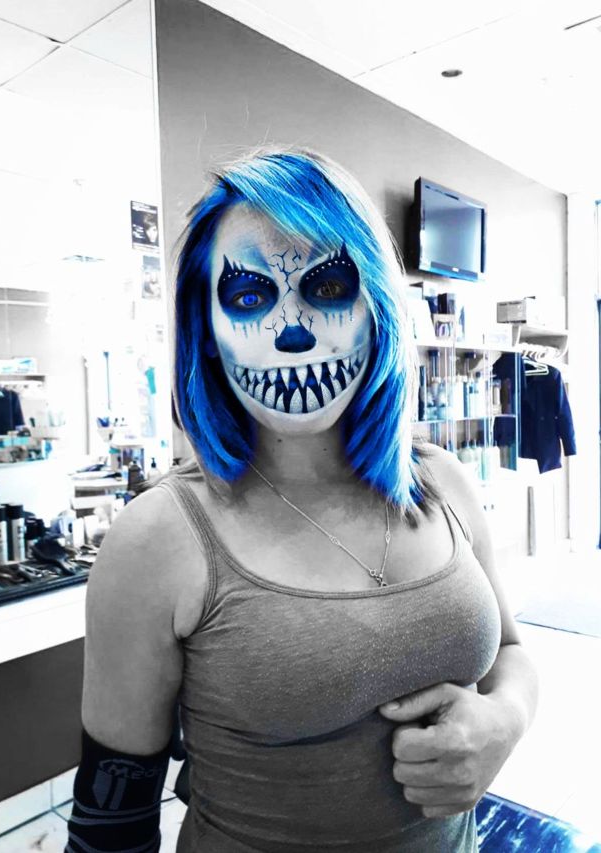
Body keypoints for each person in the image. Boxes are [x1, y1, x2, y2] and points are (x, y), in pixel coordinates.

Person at [65, 149, 538, 852]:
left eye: (329, 286)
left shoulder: (442, 483)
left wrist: (504, 720)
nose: (293, 331)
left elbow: (509, 651)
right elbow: (111, 823)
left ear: (376, 307)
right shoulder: (159, 538)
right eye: (248, 297)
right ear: (208, 332)